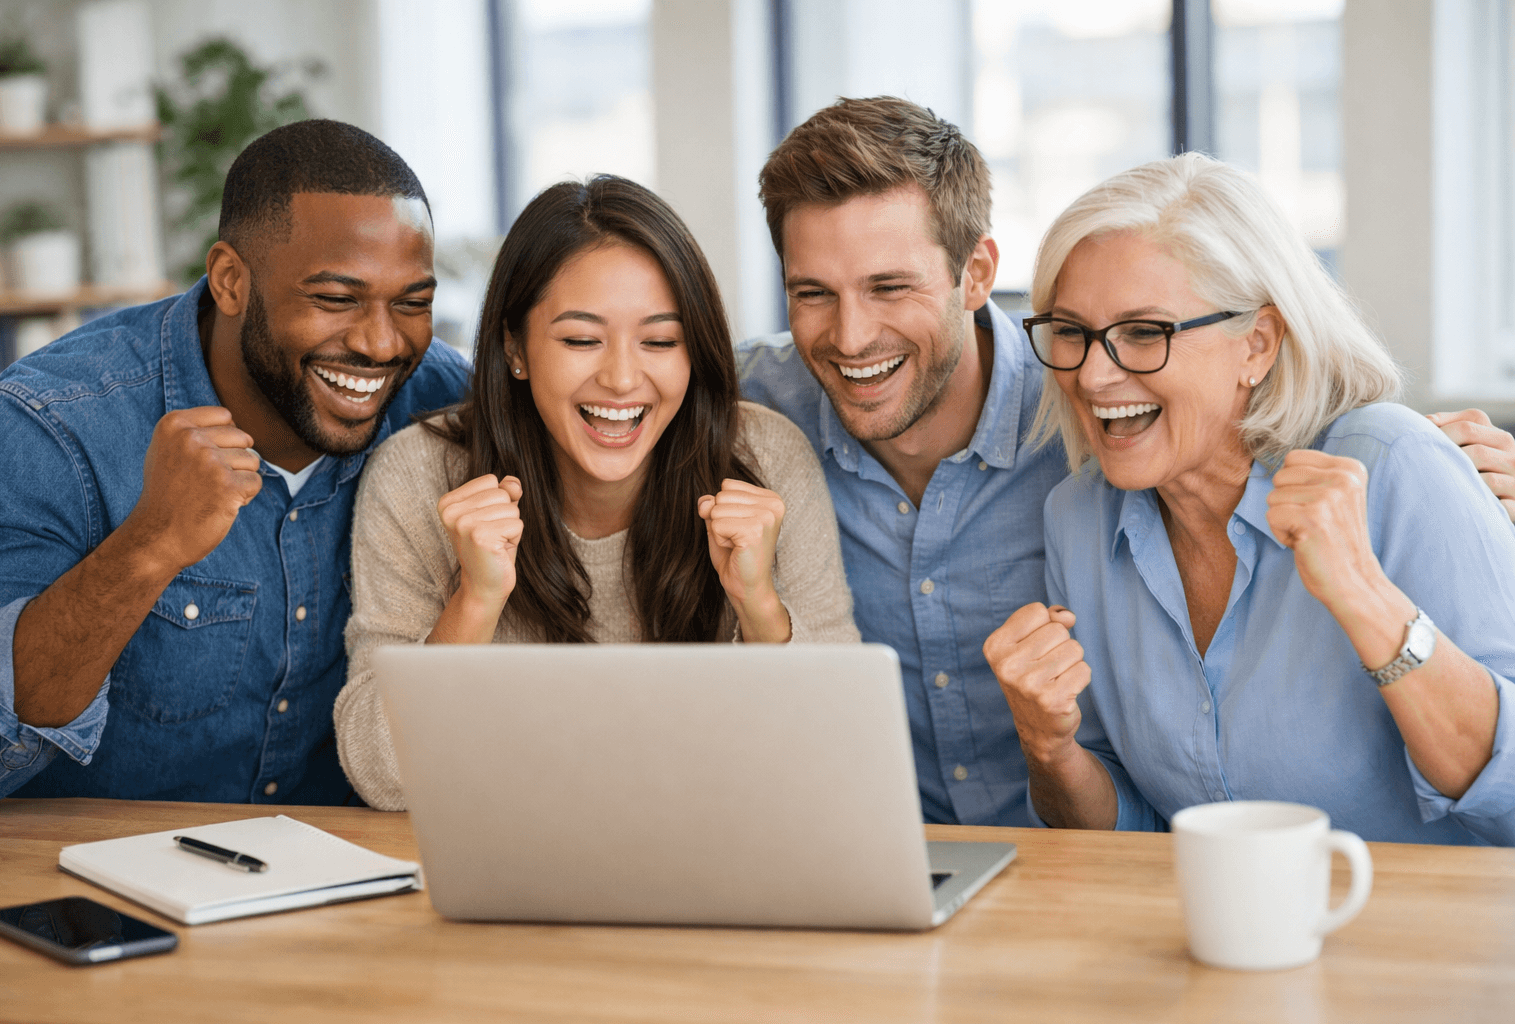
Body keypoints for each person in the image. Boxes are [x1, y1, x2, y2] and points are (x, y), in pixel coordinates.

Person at [987, 152, 1515, 845]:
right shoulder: (1078, 518)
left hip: (1433, 937)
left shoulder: (1392, 462)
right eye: (1073, 333)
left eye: (1144, 333)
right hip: (1231, 933)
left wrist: (1365, 596)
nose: (1093, 375)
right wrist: (1049, 747)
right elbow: (1142, 831)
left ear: (1257, 345)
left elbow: (1504, 797)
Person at [0, 120, 469, 806]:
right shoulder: (51, 426)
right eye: (335, 299)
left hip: (352, 886)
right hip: (96, 897)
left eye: (413, 303)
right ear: (231, 281)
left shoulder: (447, 408)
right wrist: (150, 544)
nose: (381, 343)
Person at [335, 176, 859, 810]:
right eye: (581, 340)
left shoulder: (764, 462)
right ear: (515, 349)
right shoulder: (418, 478)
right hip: (509, 868)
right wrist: (473, 605)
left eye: (661, 341)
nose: (620, 378)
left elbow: (842, 757)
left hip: (722, 861)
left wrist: (759, 606)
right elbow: (383, 779)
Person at [737, 97, 1068, 826]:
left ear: (975, 273)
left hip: (1073, 865)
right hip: (860, 861)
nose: (851, 338)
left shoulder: (1083, 421)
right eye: (813, 294)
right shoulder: (748, 405)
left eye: (890, 287)